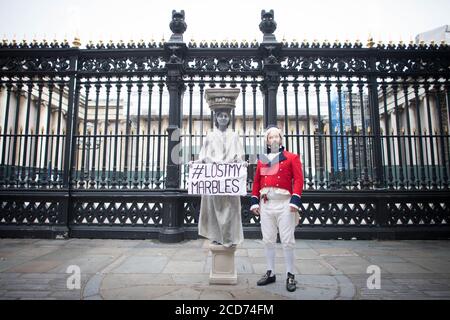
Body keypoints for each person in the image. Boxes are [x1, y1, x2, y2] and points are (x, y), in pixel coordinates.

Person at [189, 89, 246, 248]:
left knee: (230, 210)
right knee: (214, 210)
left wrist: (241, 163)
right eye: (220, 116)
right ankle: (216, 236)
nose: (223, 118)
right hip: (214, 179)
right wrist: (196, 164)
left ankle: (229, 237)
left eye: (225, 116)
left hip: (228, 180)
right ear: (216, 118)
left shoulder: (234, 135)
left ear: (228, 119)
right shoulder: (210, 135)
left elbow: (239, 156)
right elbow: (203, 155)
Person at [250, 125, 304, 292]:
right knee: (268, 240)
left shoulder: (291, 157)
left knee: (287, 241)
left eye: (276, 137)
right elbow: (257, 181)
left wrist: (295, 200)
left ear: (281, 139)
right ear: (267, 141)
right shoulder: (263, 159)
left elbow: (299, 180)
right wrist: (254, 201)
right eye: (270, 137)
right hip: (266, 204)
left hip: (284, 204)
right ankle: (271, 272)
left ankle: (290, 274)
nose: (274, 139)